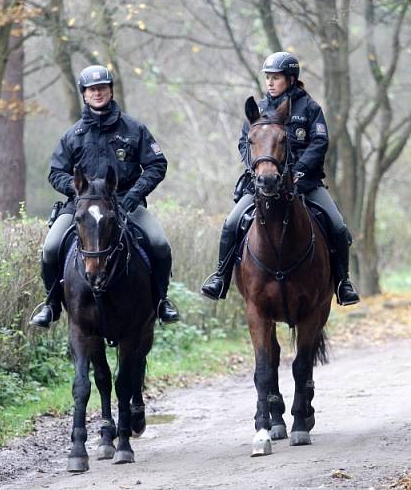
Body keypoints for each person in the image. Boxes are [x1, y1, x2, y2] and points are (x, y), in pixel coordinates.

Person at [200, 52, 360, 305]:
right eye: (268, 78)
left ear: (291, 79)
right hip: (263, 183)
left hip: (305, 184)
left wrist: (300, 170)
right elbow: (245, 142)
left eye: (276, 78)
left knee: (337, 225)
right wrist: (258, 167)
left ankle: (343, 282)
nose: (271, 83)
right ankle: (220, 277)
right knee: (231, 223)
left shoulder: (309, 108)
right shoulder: (259, 110)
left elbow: (320, 142)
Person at [30, 65, 180, 328]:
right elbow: (55, 172)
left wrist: (134, 194)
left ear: (110, 91)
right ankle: (51, 304)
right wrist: (79, 192)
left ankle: (161, 301)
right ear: (84, 95)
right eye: (91, 90)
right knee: (51, 247)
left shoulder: (135, 129)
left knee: (159, 243)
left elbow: (157, 164)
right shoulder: (73, 135)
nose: (97, 93)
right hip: (82, 207)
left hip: (125, 203)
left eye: (102, 88)